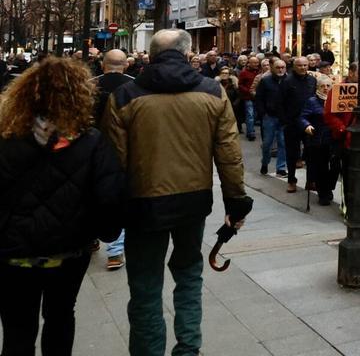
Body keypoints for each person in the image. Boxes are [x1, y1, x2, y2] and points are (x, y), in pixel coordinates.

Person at [103, 29, 251, 356]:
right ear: (187, 55)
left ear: (150, 56)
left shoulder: (125, 96)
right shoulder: (213, 93)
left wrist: (112, 210)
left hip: (143, 205)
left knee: (144, 287)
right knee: (188, 276)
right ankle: (188, 349)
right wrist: (236, 202)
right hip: (193, 201)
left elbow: (115, 162)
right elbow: (228, 152)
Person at [0, 57, 124, 355]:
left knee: (17, 328)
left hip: (12, 253)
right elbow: (109, 197)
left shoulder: (6, 138)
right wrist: (105, 233)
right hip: (68, 251)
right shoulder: (91, 141)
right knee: (60, 316)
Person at [94, 48, 135, 271]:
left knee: (90, 194)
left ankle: (90, 238)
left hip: (91, 148)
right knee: (117, 199)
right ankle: (115, 252)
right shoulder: (134, 86)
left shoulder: (90, 85)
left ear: (103, 65)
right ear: (126, 65)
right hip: (122, 149)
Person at [300, 75, 339, 205]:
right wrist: (307, 125)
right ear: (317, 87)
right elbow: (303, 117)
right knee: (321, 167)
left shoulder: (336, 100)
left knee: (335, 166)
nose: (325, 88)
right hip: (318, 139)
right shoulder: (312, 101)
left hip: (334, 138)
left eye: (328, 86)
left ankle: (329, 188)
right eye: (322, 86)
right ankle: (323, 193)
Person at [281, 56, 317, 193]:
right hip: (292, 122)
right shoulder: (287, 81)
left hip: (308, 122)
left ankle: (311, 180)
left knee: (311, 152)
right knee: (292, 153)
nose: (303, 68)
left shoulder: (312, 80)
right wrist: (284, 120)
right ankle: (291, 180)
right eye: (300, 65)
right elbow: (280, 102)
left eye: (305, 65)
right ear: (294, 66)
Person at [256, 58, 289, 177]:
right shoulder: (265, 81)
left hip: (283, 118)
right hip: (269, 116)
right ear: (272, 68)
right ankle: (265, 162)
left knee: (283, 143)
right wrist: (262, 113)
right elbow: (259, 98)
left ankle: (281, 167)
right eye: (278, 68)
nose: (280, 70)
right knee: (267, 143)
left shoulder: (288, 80)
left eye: (282, 67)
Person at [238, 55, 259, 141]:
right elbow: (240, 85)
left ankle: (251, 130)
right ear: (249, 63)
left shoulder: (259, 72)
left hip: (257, 97)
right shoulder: (244, 73)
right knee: (250, 115)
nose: (256, 64)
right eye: (254, 62)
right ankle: (251, 133)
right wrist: (248, 91)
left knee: (254, 115)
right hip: (248, 97)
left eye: (257, 62)